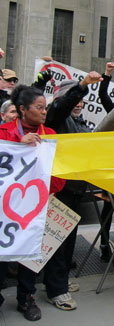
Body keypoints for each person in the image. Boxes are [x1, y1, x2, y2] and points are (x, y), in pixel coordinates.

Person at [0, 85, 65, 321]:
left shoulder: (50, 136)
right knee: (2, 251)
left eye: (45, 108)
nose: (44, 112)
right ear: (22, 110)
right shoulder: (4, 133)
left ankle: (26, 298)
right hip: (5, 209)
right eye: (39, 108)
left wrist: (52, 191)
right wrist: (19, 147)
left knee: (30, 254)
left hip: (36, 208)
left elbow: (59, 175)